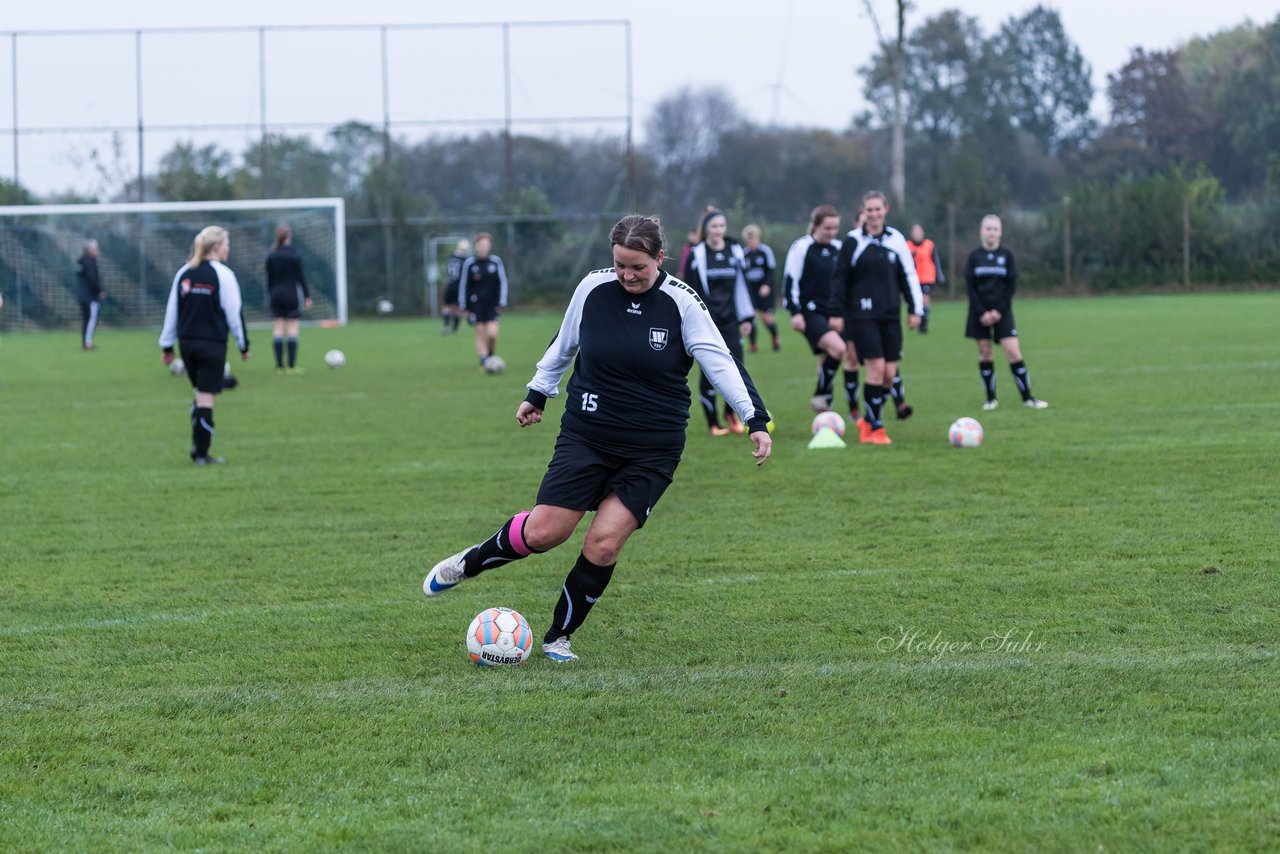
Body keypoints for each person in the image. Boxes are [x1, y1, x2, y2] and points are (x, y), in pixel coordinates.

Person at [423, 215, 772, 663]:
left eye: (638, 267)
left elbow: (720, 362)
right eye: (620, 264)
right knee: (546, 532)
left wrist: (754, 419)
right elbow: (563, 343)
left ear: (659, 259)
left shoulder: (682, 302)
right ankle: (469, 562)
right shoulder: (592, 288)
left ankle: (557, 637)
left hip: (651, 449)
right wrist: (537, 394)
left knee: (604, 542)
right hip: (587, 435)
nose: (628, 275)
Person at [829, 191, 924, 445]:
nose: (873, 214)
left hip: (890, 315)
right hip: (862, 316)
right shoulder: (853, 241)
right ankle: (874, 428)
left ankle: (868, 421)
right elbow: (839, 279)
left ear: (885, 210)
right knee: (876, 367)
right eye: (869, 210)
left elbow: (909, 275)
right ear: (863, 212)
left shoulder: (896, 240)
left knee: (889, 375)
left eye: (877, 209)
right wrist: (837, 313)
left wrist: (916, 310)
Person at [159, 226, 250, 465]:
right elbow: (234, 313)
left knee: (201, 392)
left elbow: (172, 311)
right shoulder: (223, 275)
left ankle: (197, 444)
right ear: (217, 247)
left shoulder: (184, 273)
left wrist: (167, 346)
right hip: (212, 344)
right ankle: (201, 454)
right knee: (206, 397)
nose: (228, 248)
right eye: (227, 244)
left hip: (187, 344)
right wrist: (244, 345)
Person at [681, 209, 755, 436]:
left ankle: (730, 414)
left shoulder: (735, 250)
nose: (718, 230)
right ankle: (713, 422)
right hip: (708, 321)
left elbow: (742, 286)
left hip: (731, 320)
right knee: (710, 370)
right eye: (714, 226)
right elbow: (690, 290)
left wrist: (746, 316)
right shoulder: (698, 253)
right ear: (706, 229)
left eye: (722, 226)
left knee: (737, 368)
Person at [964, 214, 1048, 410]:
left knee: (1013, 352)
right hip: (979, 313)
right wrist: (982, 312)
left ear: (1000, 232)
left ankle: (1028, 398)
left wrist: (998, 311)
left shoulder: (1007, 255)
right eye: (988, 228)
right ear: (981, 231)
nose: (991, 232)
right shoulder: (974, 257)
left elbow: (1011, 287)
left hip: (1002, 312)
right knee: (985, 353)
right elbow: (970, 288)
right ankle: (991, 399)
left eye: (995, 229)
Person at [782, 205, 847, 413]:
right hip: (810, 312)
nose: (832, 232)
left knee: (825, 357)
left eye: (835, 228)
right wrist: (795, 312)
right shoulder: (802, 247)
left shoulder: (839, 248)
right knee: (838, 348)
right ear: (816, 225)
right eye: (827, 228)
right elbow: (790, 280)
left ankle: (824, 413)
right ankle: (820, 395)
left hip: (834, 313)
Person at [457, 232, 509, 368]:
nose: (483, 247)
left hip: (492, 304)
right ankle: (484, 359)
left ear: (489, 246)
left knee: (492, 335)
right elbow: (464, 285)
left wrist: (501, 302)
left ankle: (489, 355)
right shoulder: (470, 263)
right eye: (481, 245)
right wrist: (464, 307)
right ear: (476, 246)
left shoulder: (495, 261)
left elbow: (502, 281)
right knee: (480, 333)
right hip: (476, 305)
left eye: (486, 244)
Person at [265, 224, 310, 374]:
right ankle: (291, 366)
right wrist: (307, 296)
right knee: (292, 329)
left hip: (276, 294)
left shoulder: (271, 255)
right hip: (291, 293)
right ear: (288, 237)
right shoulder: (294, 254)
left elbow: (269, 279)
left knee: (278, 329)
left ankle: (279, 367)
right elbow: (301, 278)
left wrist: (270, 295)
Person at [742, 224, 779, 353]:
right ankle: (753, 345)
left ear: (758, 238)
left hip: (764, 290)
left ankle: (775, 337)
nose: (751, 242)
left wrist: (767, 285)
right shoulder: (744, 254)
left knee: (766, 318)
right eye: (749, 239)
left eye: (753, 239)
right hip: (750, 291)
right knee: (751, 317)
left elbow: (771, 270)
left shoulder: (765, 251)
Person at [907, 224, 943, 334]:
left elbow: (935, 260)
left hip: (927, 277)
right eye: (915, 232)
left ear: (923, 233)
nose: (917, 235)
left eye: (919, 232)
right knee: (913, 301)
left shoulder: (929, 245)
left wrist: (939, 275)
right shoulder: (907, 245)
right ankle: (913, 321)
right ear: (912, 234)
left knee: (924, 300)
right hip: (912, 278)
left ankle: (923, 325)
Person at [75, 239, 104, 350]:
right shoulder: (89, 263)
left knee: (87, 320)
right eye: (96, 249)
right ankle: (87, 343)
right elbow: (92, 280)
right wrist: (99, 291)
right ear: (90, 250)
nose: (97, 251)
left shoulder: (81, 262)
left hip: (83, 296)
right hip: (89, 297)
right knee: (91, 319)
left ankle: (86, 342)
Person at [441, 238, 470, 335]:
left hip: (450, 283)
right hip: (460, 286)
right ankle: (454, 329)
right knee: (458, 308)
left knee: (447, 306)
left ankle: (445, 326)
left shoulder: (451, 257)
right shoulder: (465, 260)